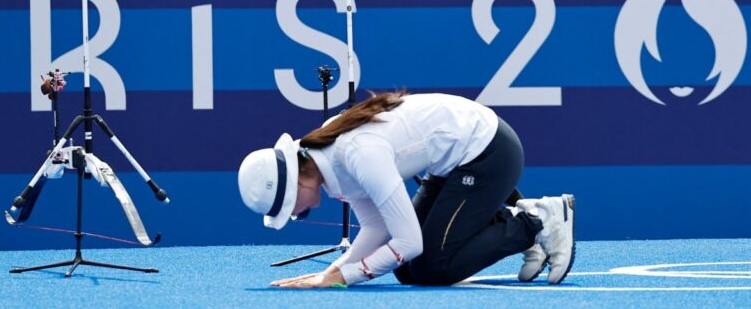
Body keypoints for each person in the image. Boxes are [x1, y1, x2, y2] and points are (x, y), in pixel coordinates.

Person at [238, 91, 575, 288]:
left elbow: (408, 242)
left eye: (290, 210)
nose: (296, 215)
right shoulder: (329, 158)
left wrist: (346, 276)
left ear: (297, 184)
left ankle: (536, 222)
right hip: (454, 163)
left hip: (490, 153)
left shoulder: (358, 156)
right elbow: (378, 227)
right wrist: (332, 274)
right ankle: (516, 225)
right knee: (406, 270)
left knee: (432, 266)